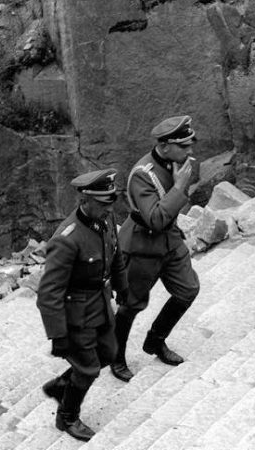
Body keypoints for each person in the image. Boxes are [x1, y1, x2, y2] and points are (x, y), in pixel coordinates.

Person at [36, 169, 128, 441]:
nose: (109, 207)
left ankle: (62, 384)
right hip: (75, 312)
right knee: (87, 367)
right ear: (84, 201)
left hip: (99, 301)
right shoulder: (67, 239)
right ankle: (67, 417)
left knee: (109, 353)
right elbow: (48, 293)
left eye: (111, 201)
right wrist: (58, 335)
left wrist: (122, 288)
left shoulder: (105, 218)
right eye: (103, 203)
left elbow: (116, 253)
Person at [110, 115, 200, 382]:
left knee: (188, 290)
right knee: (131, 305)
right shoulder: (142, 175)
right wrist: (180, 187)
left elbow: (171, 213)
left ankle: (155, 341)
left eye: (190, 144)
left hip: (170, 241)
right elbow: (155, 219)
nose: (190, 151)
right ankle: (115, 355)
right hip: (141, 246)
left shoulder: (181, 163)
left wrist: (182, 185)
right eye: (184, 146)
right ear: (165, 146)